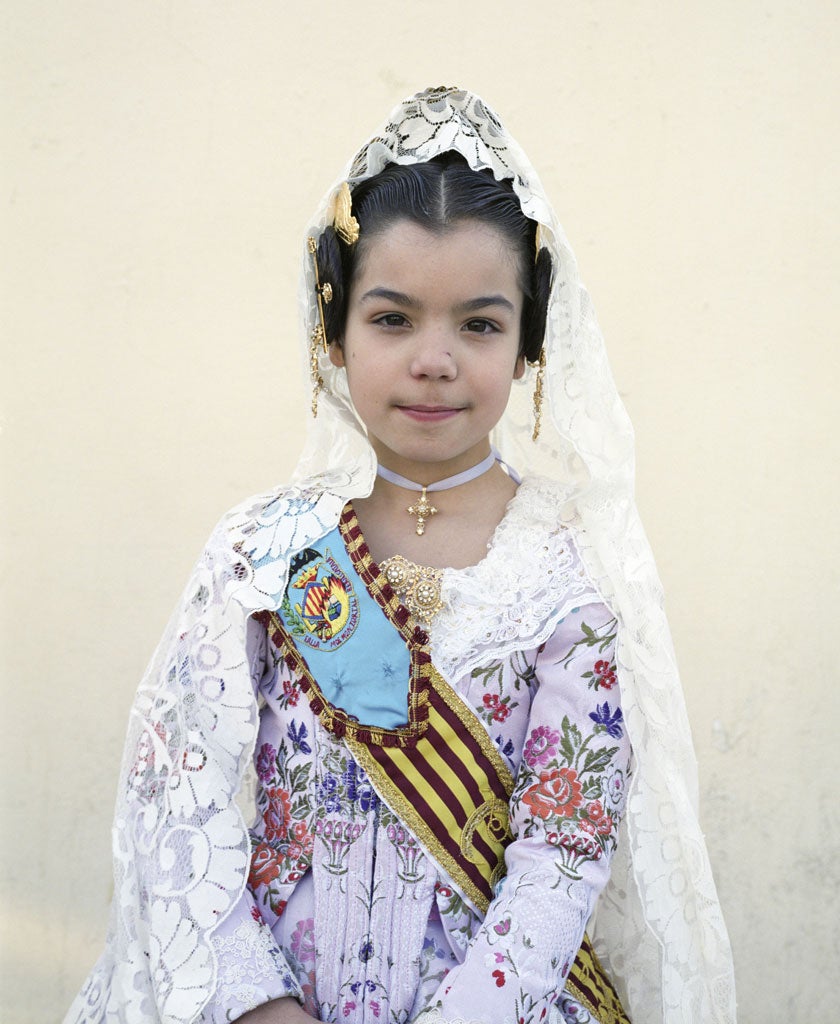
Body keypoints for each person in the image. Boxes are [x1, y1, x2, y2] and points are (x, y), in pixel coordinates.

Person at [66, 88, 736, 1024]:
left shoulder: (570, 574)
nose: (435, 359)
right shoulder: (264, 554)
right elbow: (178, 796)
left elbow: (566, 847)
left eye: (479, 323)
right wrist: (256, 1005)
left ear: (528, 341)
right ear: (332, 332)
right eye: (392, 319)